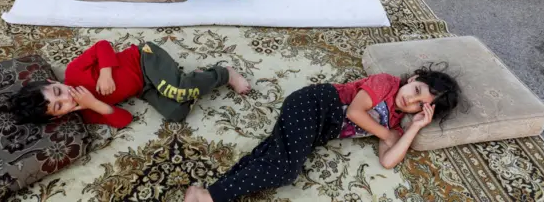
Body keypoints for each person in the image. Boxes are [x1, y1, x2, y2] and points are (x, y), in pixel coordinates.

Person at [184, 64, 462, 202]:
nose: (410, 102)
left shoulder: (397, 121)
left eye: (419, 106)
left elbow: (388, 161)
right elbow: (354, 112)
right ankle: (211, 197)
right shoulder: (386, 83)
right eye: (415, 91)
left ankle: (203, 193)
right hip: (315, 103)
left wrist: (412, 128)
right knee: (286, 171)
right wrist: (387, 135)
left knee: (270, 154)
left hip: (318, 128)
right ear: (412, 80)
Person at [8, 40, 251, 128]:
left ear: (53, 81)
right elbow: (125, 119)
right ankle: (196, 78)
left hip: (144, 58)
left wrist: (105, 72)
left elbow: (102, 45)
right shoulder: (87, 114)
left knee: (177, 90)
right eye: (60, 106)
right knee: (176, 112)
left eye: (58, 92)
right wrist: (94, 104)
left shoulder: (74, 72)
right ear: (57, 118)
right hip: (144, 87)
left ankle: (224, 73)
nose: (68, 98)